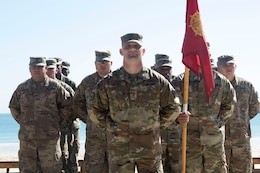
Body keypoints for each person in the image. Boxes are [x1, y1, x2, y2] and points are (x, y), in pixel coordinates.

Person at [87, 33, 189, 173]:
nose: (132, 49)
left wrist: (156, 124)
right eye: (128, 46)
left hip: (150, 149)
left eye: (136, 46)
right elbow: (94, 109)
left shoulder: (157, 81)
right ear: (121, 51)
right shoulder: (109, 82)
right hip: (120, 150)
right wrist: (112, 127)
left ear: (143, 51)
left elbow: (173, 106)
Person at [9, 57, 72, 173]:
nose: (37, 70)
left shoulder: (55, 87)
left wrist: (56, 121)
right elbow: (13, 106)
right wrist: (24, 121)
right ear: (29, 69)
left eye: (40, 67)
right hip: (28, 141)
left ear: (46, 68)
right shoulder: (22, 88)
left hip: (49, 141)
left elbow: (68, 105)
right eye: (34, 67)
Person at [172, 65, 237, 172]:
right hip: (189, 143)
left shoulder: (220, 81)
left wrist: (216, 122)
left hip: (214, 143)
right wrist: (178, 118)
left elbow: (230, 104)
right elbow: (171, 106)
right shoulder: (181, 81)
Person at [217, 55, 260, 173]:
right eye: (225, 65)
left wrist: (241, 120)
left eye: (231, 65)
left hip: (241, 141)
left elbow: (255, 107)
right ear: (218, 68)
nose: (229, 68)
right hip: (220, 142)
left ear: (235, 66)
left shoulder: (246, 86)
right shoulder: (214, 87)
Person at [73, 50, 112, 173]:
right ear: (95, 64)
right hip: (95, 137)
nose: (102, 64)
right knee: (94, 167)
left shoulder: (120, 80)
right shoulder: (87, 82)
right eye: (100, 62)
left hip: (116, 136)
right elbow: (77, 102)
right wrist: (90, 118)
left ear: (111, 63)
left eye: (105, 62)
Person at [153, 54, 180, 173]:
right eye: (162, 69)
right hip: (156, 138)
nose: (165, 72)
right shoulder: (149, 85)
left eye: (168, 69)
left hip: (176, 138)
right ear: (155, 69)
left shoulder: (179, 84)